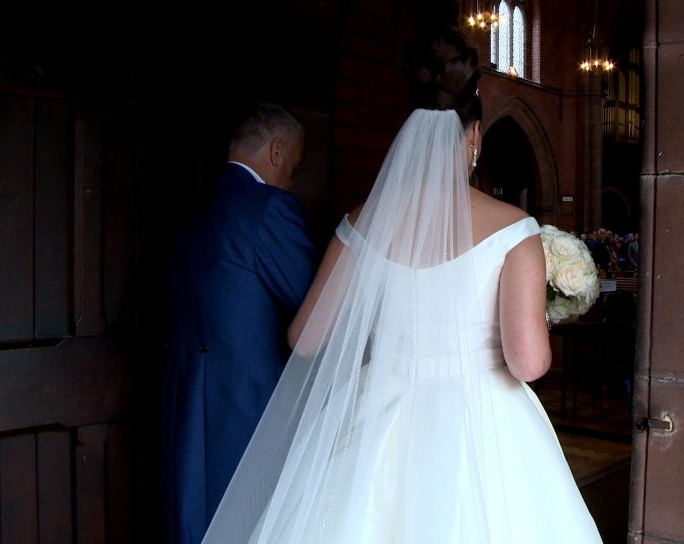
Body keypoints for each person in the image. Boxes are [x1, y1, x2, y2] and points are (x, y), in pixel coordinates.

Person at [203, 29, 601, 543]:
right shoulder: (514, 231)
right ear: (474, 136)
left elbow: (303, 338)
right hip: (483, 424)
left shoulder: (361, 224)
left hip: (378, 414)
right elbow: (528, 363)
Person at [161, 104, 316, 544]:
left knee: (194, 517)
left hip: (185, 396)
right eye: (295, 164)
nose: (292, 176)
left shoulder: (195, 206)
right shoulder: (269, 208)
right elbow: (313, 307)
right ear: (277, 149)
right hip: (244, 401)